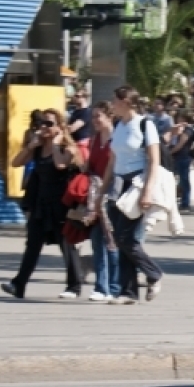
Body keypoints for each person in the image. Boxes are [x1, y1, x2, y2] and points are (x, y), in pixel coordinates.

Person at [1, 108, 84, 299]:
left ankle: (74, 286)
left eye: (49, 124)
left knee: (67, 245)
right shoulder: (38, 149)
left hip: (62, 206)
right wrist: (31, 146)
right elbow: (15, 163)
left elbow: (61, 165)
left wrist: (55, 144)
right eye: (42, 123)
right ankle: (18, 285)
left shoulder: (68, 148)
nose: (44, 127)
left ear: (60, 127)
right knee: (32, 244)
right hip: (42, 205)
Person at [103, 86, 165, 305]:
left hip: (136, 183)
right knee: (120, 238)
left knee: (125, 237)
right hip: (118, 184)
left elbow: (154, 160)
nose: (112, 104)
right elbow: (112, 160)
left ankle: (154, 272)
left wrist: (147, 191)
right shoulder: (119, 126)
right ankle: (127, 291)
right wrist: (103, 187)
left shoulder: (145, 125)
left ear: (126, 102)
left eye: (115, 101)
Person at [84, 101, 120, 302]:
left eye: (98, 116)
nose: (95, 120)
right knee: (97, 241)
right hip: (95, 195)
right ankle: (101, 287)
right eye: (93, 116)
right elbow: (90, 166)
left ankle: (115, 287)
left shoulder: (117, 139)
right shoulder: (94, 139)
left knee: (112, 241)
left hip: (112, 195)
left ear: (109, 117)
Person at [67, 90, 92, 161]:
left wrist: (67, 128)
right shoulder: (75, 111)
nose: (75, 98)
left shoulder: (86, 112)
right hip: (74, 143)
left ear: (84, 98)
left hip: (82, 144)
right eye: (75, 96)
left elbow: (72, 128)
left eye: (77, 96)